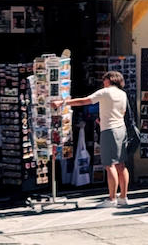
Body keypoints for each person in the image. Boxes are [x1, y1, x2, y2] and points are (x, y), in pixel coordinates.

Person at [60, 71, 129, 207]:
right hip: (121, 129)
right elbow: (123, 112)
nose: (103, 82)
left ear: (109, 80)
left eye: (104, 80)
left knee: (109, 165)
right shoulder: (123, 94)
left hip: (109, 130)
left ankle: (111, 198)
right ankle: (123, 196)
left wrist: (64, 102)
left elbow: (85, 101)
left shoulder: (105, 92)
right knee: (121, 164)